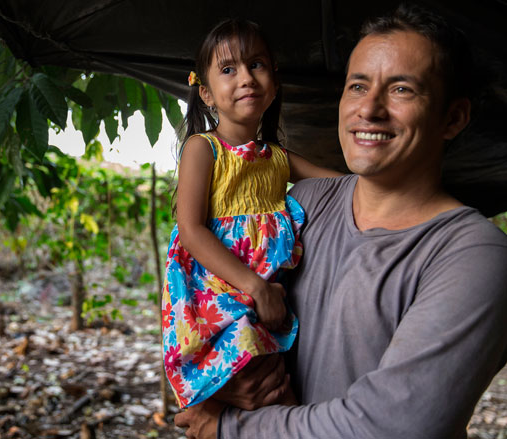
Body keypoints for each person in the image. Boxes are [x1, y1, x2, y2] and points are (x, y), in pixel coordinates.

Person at [175, 4, 507, 438]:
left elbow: (389, 427)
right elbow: (210, 293)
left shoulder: (474, 258)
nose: (369, 109)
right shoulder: (303, 208)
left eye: (402, 89)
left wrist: (228, 427)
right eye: (357, 86)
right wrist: (227, 382)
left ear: (453, 118)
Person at [162, 19, 339, 410]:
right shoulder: (203, 149)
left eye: (256, 65)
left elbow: (343, 185)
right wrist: (254, 288)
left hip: (268, 297)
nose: (246, 77)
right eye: (229, 69)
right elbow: (190, 231)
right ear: (206, 93)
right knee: (257, 393)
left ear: (273, 82)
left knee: (277, 394)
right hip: (218, 293)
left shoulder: (276, 158)